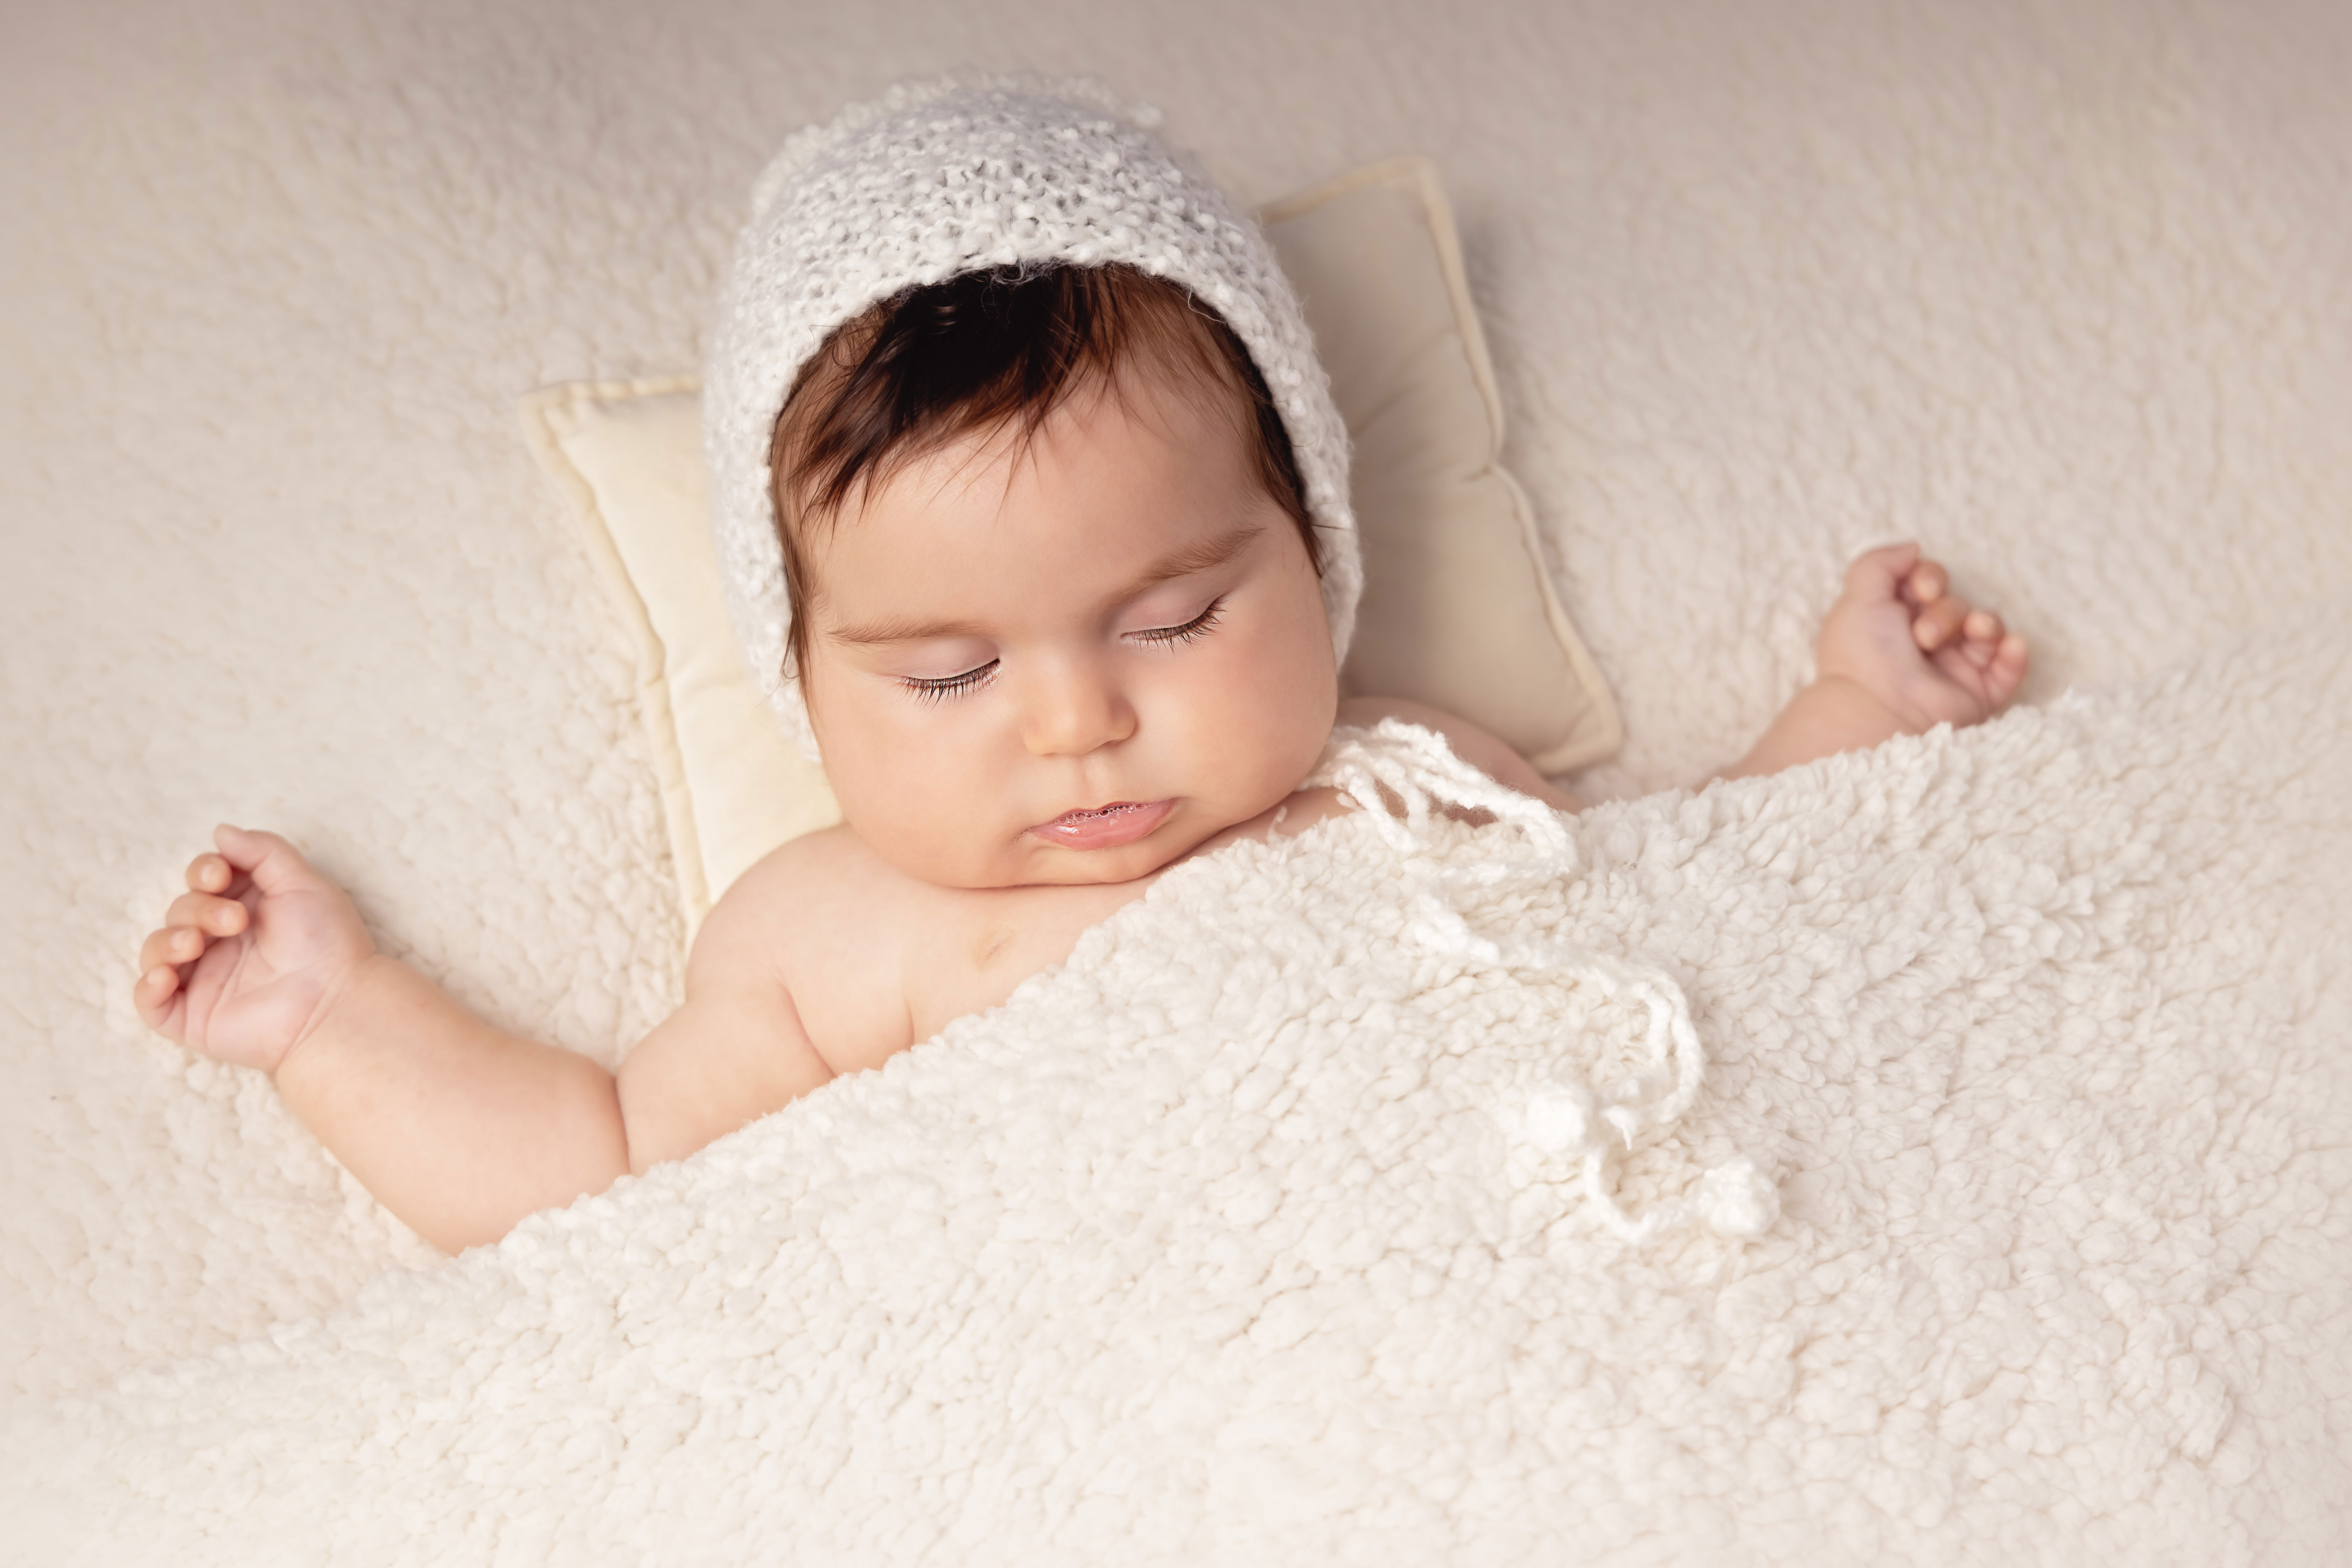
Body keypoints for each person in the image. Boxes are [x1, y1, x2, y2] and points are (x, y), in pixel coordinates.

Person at [131, 85, 2026, 1254]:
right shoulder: (832, 935)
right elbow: (612, 1189)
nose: (1076, 722)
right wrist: (334, 1022)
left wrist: (1858, 712)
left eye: (1175, 619)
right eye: (946, 674)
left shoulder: (1413, 773)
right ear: (806, 680)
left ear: (1314, 554)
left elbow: (1686, 925)